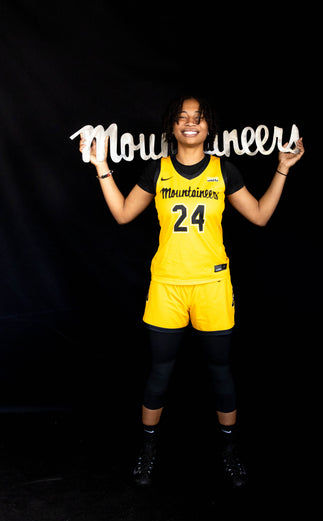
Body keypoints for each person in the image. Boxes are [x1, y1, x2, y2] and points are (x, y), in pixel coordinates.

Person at [79, 95, 304, 488]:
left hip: (212, 285)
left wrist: (283, 168)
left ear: (208, 126)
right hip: (167, 284)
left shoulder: (223, 170)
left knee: (220, 371)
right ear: (172, 126)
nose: (190, 123)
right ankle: (148, 449)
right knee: (159, 372)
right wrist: (101, 166)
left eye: (198, 118)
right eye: (182, 117)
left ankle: (229, 451)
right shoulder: (158, 169)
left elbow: (259, 215)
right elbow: (123, 213)